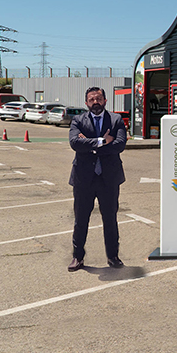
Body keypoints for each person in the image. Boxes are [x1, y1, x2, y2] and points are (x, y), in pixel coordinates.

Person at [67, 87, 128, 272]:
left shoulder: (116, 119)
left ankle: (113, 256)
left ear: (105, 100)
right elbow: (74, 143)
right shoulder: (78, 120)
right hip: (83, 179)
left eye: (99, 98)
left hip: (108, 179)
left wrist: (89, 144)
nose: (95, 102)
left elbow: (120, 145)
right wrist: (102, 141)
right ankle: (78, 257)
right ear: (86, 103)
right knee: (81, 220)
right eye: (92, 99)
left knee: (110, 219)